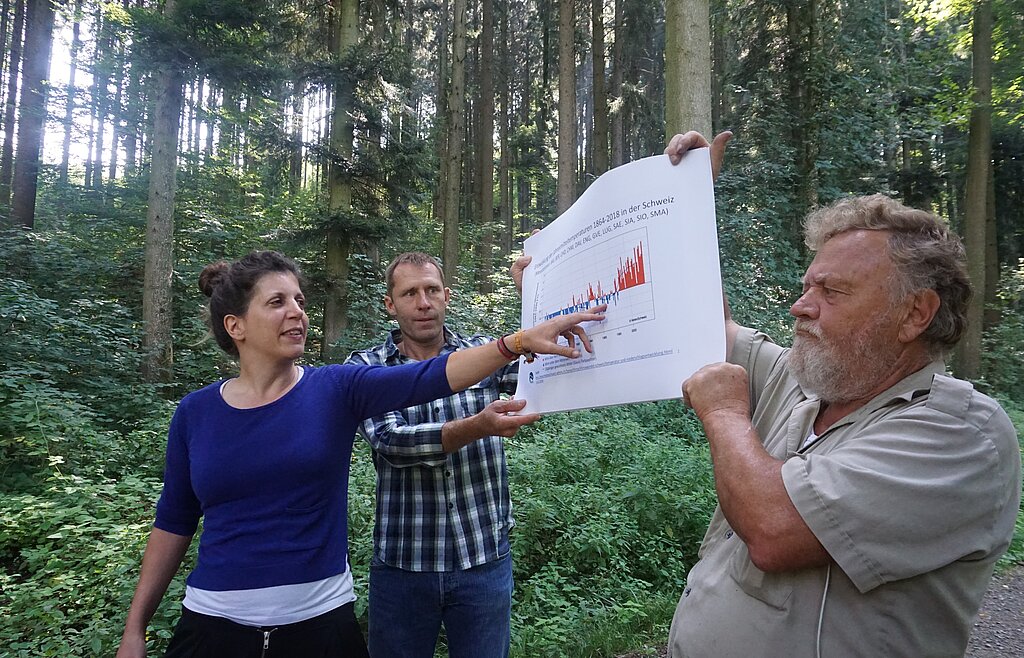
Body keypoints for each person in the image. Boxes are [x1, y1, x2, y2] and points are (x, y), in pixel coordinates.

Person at [116, 250, 604, 658]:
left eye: (300, 301)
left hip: (325, 620)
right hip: (215, 625)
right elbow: (174, 520)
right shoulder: (196, 413)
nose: (297, 312)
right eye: (278, 302)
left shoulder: (333, 388)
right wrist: (134, 627)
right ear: (235, 326)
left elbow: (441, 375)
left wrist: (526, 317)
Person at [664, 132, 1022, 657]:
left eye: (831, 292)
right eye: (808, 286)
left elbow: (775, 531)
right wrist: (687, 203)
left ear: (914, 314)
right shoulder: (806, 381)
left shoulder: (961, 433)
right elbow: (706, 324)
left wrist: (723, 411)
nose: (800, 307)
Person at [344, 252, 538, 658]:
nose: (423, 302)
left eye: (432, 290)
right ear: (390, 304)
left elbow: (549, 372)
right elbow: (391, 441)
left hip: (483, 557)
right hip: (404, 565)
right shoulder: (366, 368)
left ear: (446, 295)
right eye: (410, 292)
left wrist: (533, 294)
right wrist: (477, 426)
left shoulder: (483, 356)